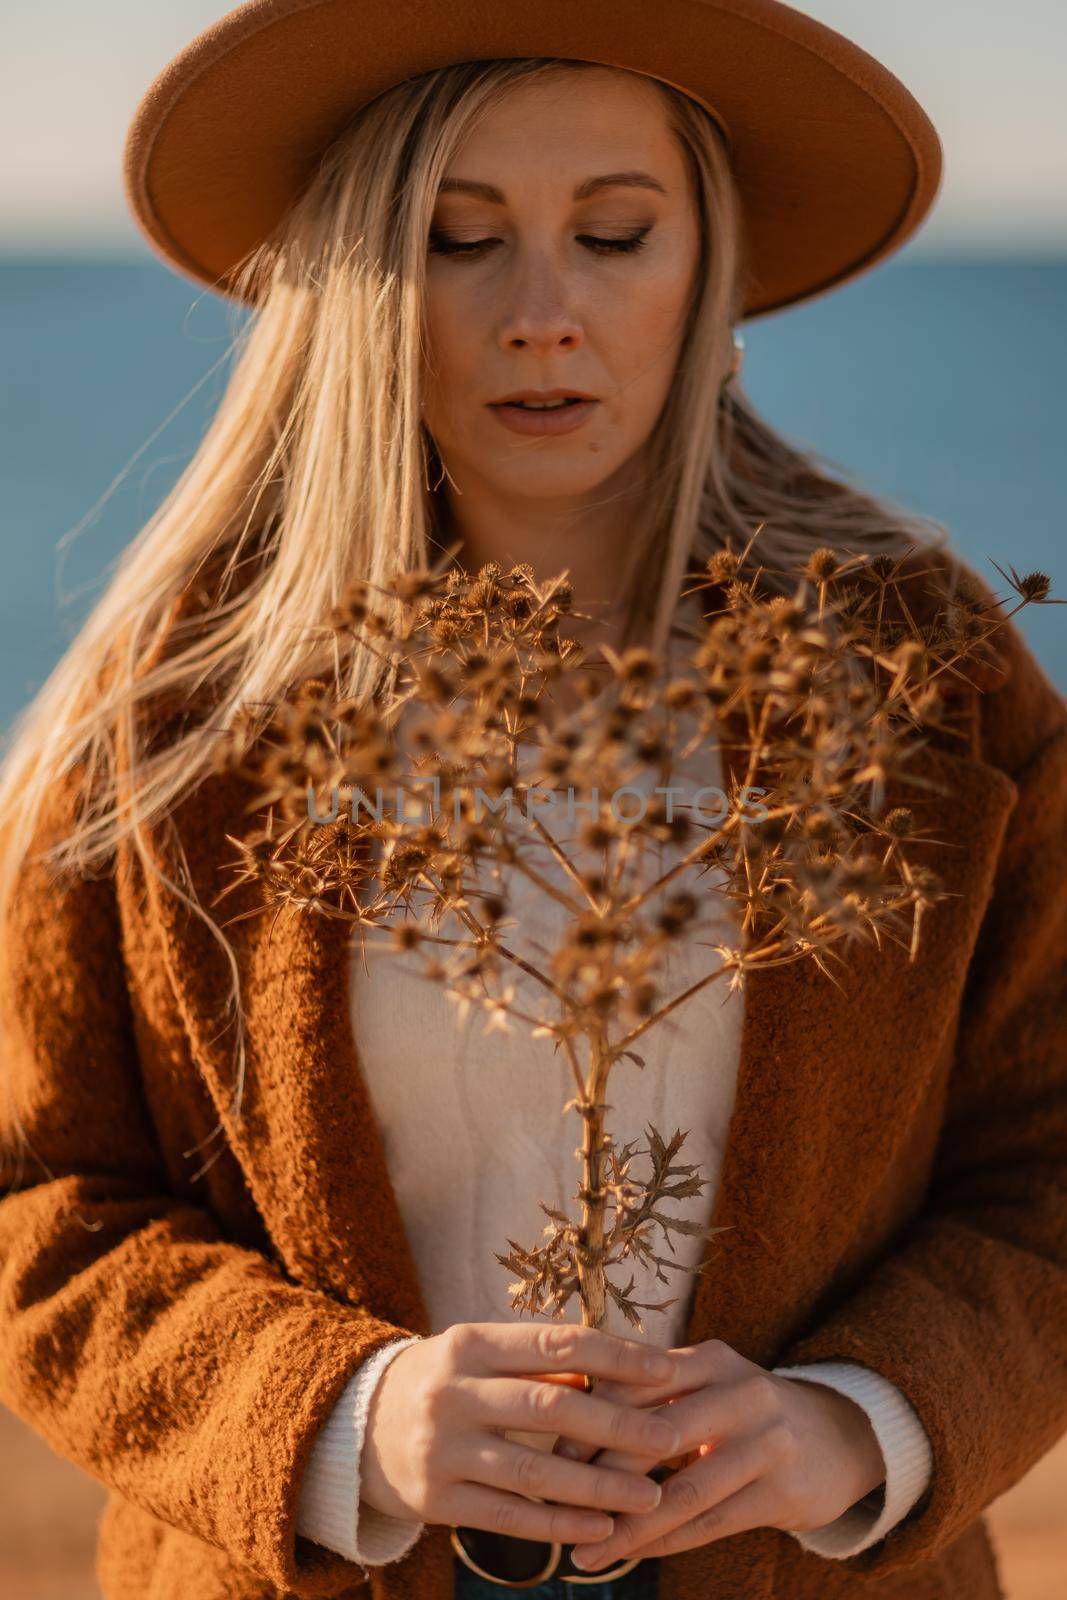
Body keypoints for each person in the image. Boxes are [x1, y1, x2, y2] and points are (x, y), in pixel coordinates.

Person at [1, 5, 1064, 1599]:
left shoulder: (922, 673)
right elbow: (44, 1205)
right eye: (460, 237)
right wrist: (344, 1416)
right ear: (363, 278)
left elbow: (1048, 1160)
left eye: (617, 233)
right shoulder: (184, 706)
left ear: (709, 270)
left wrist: (860, 1423)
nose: (545, 314)